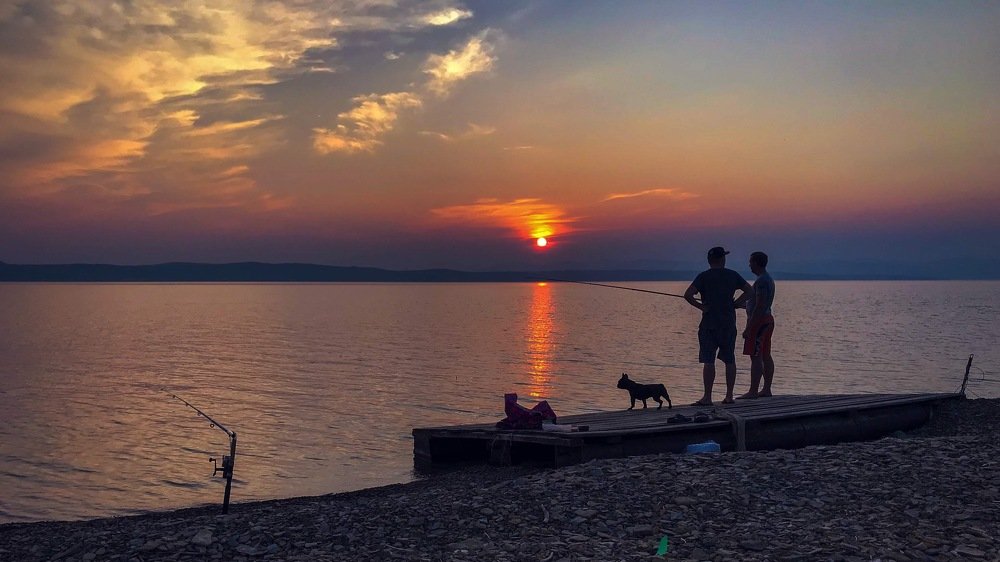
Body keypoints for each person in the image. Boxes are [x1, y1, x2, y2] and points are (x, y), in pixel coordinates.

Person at [684, 246, 753, 405]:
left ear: (709, 260)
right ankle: (729, 396)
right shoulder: (732, 275)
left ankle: (707, 397)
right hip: (728, 324)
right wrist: (736, 303)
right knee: (730, 360)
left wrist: (701, 307)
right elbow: (750, 291)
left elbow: (687, 295)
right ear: (722, 259)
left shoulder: (703, 277)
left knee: (709, 361)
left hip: (708, 324)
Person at [739, 251, 776, 399]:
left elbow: (760, 306)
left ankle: (753, 391)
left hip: (759, 322)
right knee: (765, 355)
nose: (749, 265)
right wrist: (744, 305)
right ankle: (766, 389)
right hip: (768, 320)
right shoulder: (768, 279)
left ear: (756, 263)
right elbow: (759, 303)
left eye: (750, 262)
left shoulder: (761, 281)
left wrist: (748, 328)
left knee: (755, 356)